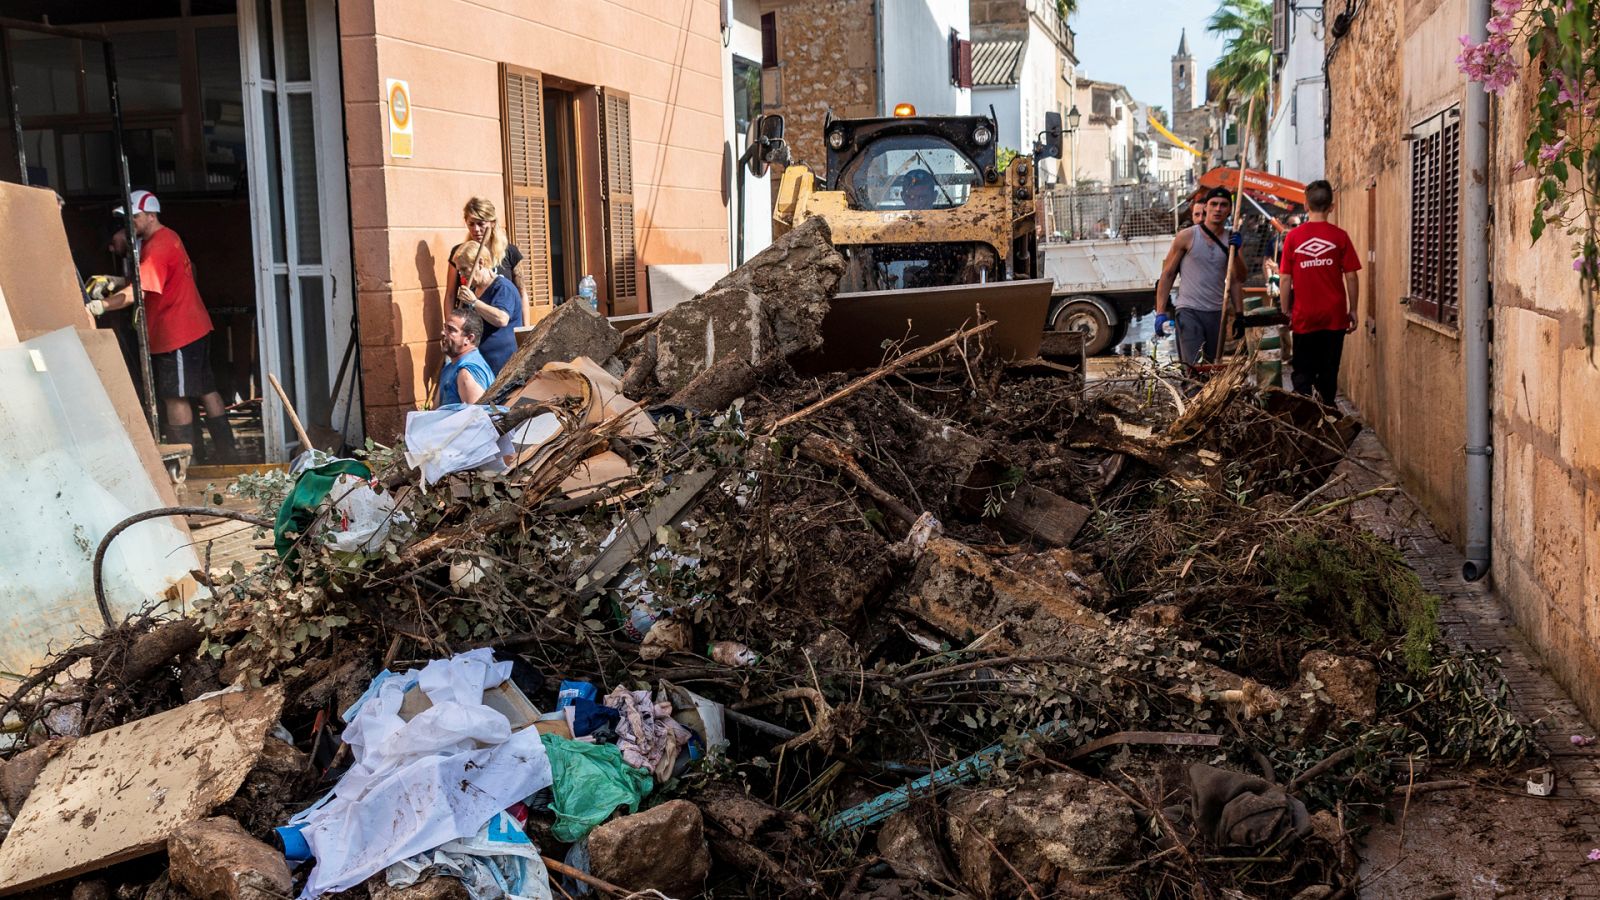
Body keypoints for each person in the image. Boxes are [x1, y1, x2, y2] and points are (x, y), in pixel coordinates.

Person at [89, 190, 236, 461]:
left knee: (174, 397)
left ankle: (186, 463)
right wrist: (118, 281)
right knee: (206, 390)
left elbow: (139, 292)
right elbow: (158, 278)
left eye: (134, 216)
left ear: (151, 215)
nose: (130, 222)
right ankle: (228, 454)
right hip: (194, 326)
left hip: (176, 333)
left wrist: (102, 306)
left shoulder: (157, 245)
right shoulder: (168, 238)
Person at [1280, 180, 1361, 406]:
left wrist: (1285, 310)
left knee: (1303, 372)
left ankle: (1305, 418)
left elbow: (1285, 278)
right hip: (1334, 317)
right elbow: (1352, 276)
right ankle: (1326, 417)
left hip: (1305, 316)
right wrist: (1353, 309)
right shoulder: (1340, 236)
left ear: (1305, 205)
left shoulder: (1293, 238)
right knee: (1328, 372)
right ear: (1331, 207)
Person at [1153, 186, 1246, 367]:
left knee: (1210, 367)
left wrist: (1240, 315)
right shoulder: (1186, 237)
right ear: (1206, 208)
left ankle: (1205, 395)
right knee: (1194, 367)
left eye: (1223, 205)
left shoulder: (1232, 240)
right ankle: (1193, 395)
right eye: (1214, 204)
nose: (1218, 209)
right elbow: (1168, 274)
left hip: (1217, 313)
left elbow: (1238, 278)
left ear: (1229, 210)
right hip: (1189, 310)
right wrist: (1160, 312)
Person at [450, 240, 523, 374]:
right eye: (459, 270)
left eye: (465, 269)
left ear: (481, 263)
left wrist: (474, 302)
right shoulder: (471, 291)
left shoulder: (502, 288)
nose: (461, 274)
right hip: (478, 366)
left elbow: (501, 319)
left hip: (502, 368)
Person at [445, 197, 523, 297]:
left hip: (502, 311)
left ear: (493, 223)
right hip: (468, 312)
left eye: (481, 223)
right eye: (471, 224)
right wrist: (449, 313)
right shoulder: (459, 252)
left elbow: (521, 293)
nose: (476, 229)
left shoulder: (510, 252)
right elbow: (450, 294)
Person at [438, 308, 494, 406]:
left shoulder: (466, 374)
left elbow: (476, 418)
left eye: (451, 330)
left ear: (469, 338)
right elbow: (435, 411)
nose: (443, 333)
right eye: (445, 328)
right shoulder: (450, 368)